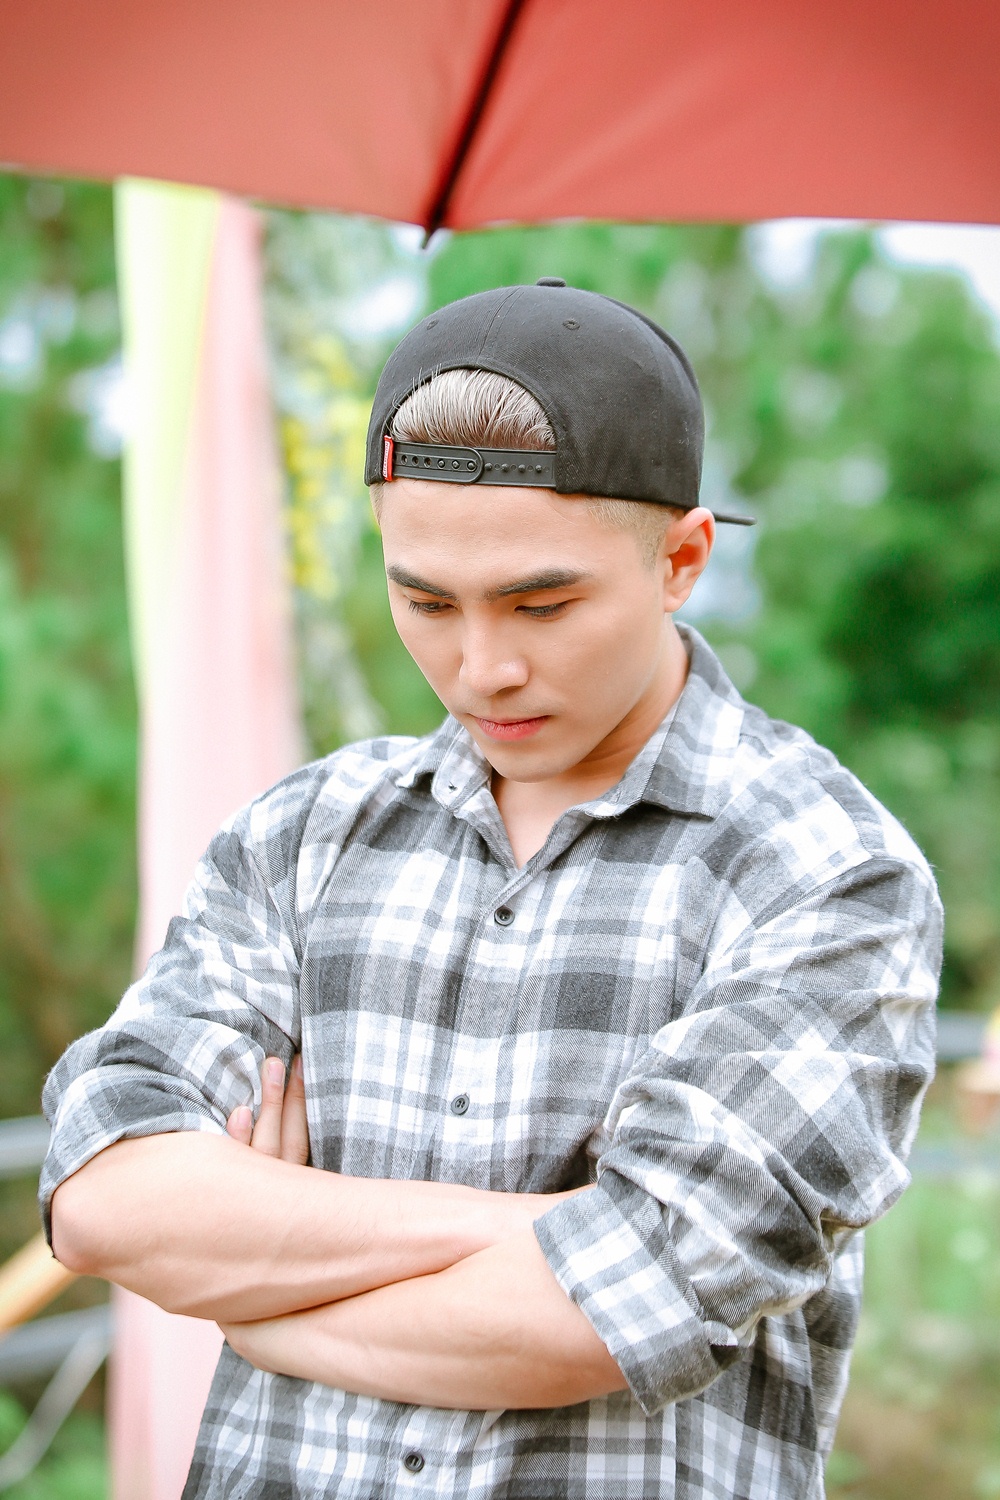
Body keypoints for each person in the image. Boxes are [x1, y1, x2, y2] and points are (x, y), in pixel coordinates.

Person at [42, 280, 941, 1499]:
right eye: (424, 600)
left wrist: (264, 1276)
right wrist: (537, 1233)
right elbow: (103, 1199)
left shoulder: (824, 870)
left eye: (541, 603)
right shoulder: (300, 836)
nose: (482, 667)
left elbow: (603, 1316)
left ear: (682, 559)